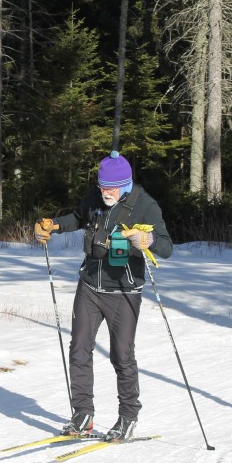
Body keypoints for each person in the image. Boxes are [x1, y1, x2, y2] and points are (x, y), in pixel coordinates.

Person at [34, 150, 172, 442]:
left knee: (122, 356)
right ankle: (83, 414)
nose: (105, 192)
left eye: (111, 188)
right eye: (101, 187)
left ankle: (128, 417)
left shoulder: (144, 205)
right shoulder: (97, 197)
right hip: (89, 285)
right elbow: (79, 217)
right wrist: (54, 226)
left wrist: (148, 240)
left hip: (124, 290)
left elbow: (167, 246)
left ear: (125, 184)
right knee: (79, 349)